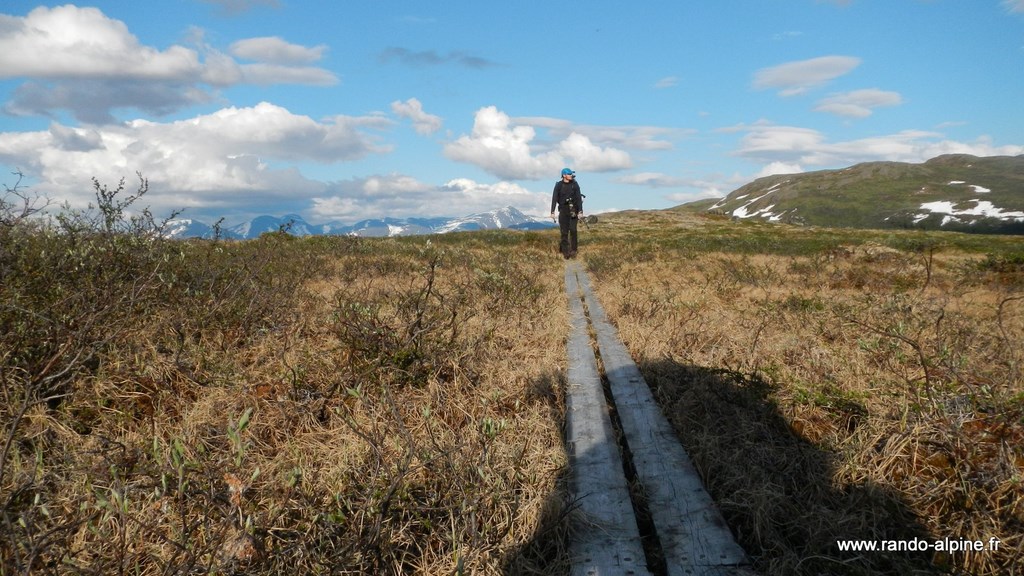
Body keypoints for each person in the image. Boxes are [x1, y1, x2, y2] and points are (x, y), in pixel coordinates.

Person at [550, 168, 584, 259]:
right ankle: (565, 252)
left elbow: (578, 199)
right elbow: (554, 198)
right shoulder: (558, 185)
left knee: (573, 230)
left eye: (571, 174)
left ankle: (574, 250)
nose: (571, 175)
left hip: (574, 210)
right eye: (569, 174)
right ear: (564, 175)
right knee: (564, 232)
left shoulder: (575, 184)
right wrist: (552, 211)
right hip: (563, 210)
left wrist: (580, 211)